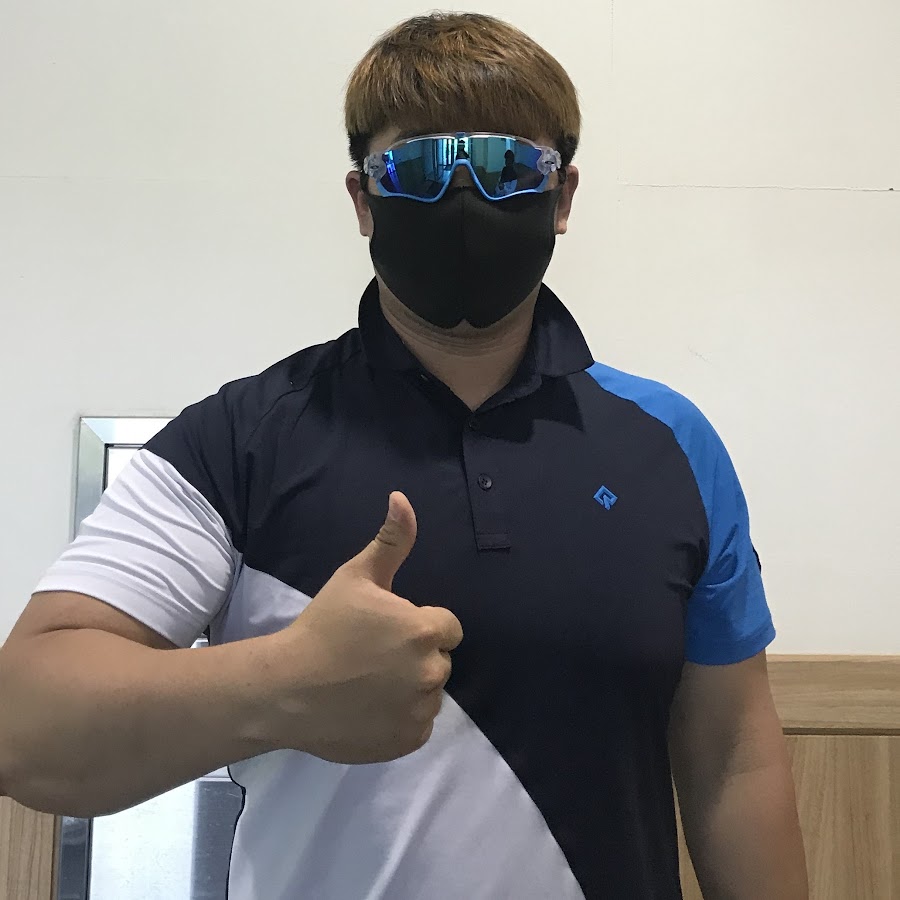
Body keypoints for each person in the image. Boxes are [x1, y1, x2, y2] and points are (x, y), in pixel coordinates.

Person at [0, 12, 808, 900]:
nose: (464, 199)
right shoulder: (239, 440)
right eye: (418, 168)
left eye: (506, 166)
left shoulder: (673, 445)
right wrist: (280, 685)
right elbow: (23, 727)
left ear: (563, 196)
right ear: (362, 200)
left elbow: (732, 757)